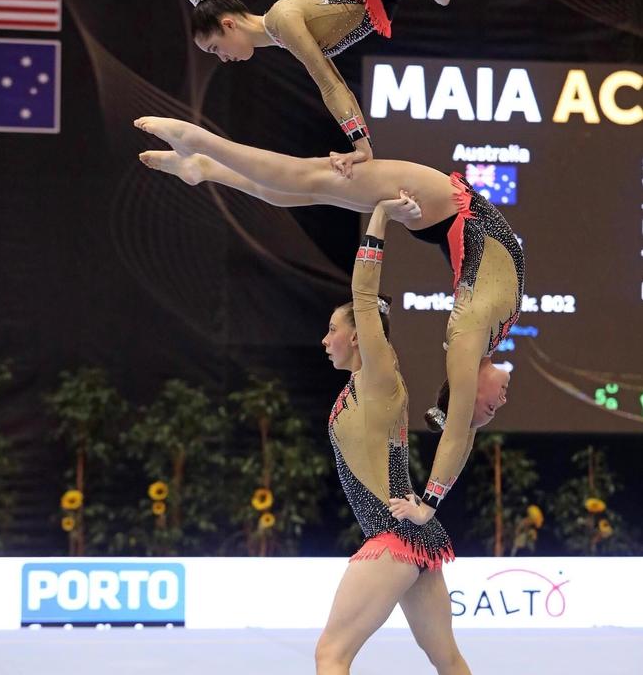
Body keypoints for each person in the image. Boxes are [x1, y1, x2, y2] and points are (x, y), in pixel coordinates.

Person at [134, 115, 522, 513]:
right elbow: (463, 430)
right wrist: (462, 426)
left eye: (489, 407)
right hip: (449, 212)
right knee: (308, 187)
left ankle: (201, 147)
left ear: (467, 390)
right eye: (492, 409)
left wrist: (427, 505)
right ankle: (205, 166)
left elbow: (457, 432)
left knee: (308, 181)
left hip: (446, 206)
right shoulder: (485, 342)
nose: (502, 402)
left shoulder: (468, 338)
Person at [316, 197, 478, 675]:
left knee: (330, 654)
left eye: (332, 330)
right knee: (446, 658)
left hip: (391, 537)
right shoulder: (357, 389)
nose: (325, 339)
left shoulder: (378, 376)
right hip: (415, 537)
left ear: (359, 335)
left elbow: (365, 295)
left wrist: (379, 218)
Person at [188, 0, 451, 175]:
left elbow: (329, 84)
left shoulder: (283, 20)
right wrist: (363, 145)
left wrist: (362, 148)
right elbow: (336, 81)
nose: (221, 58)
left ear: (229, 24)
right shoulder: (278, 36)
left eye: (215, 48)